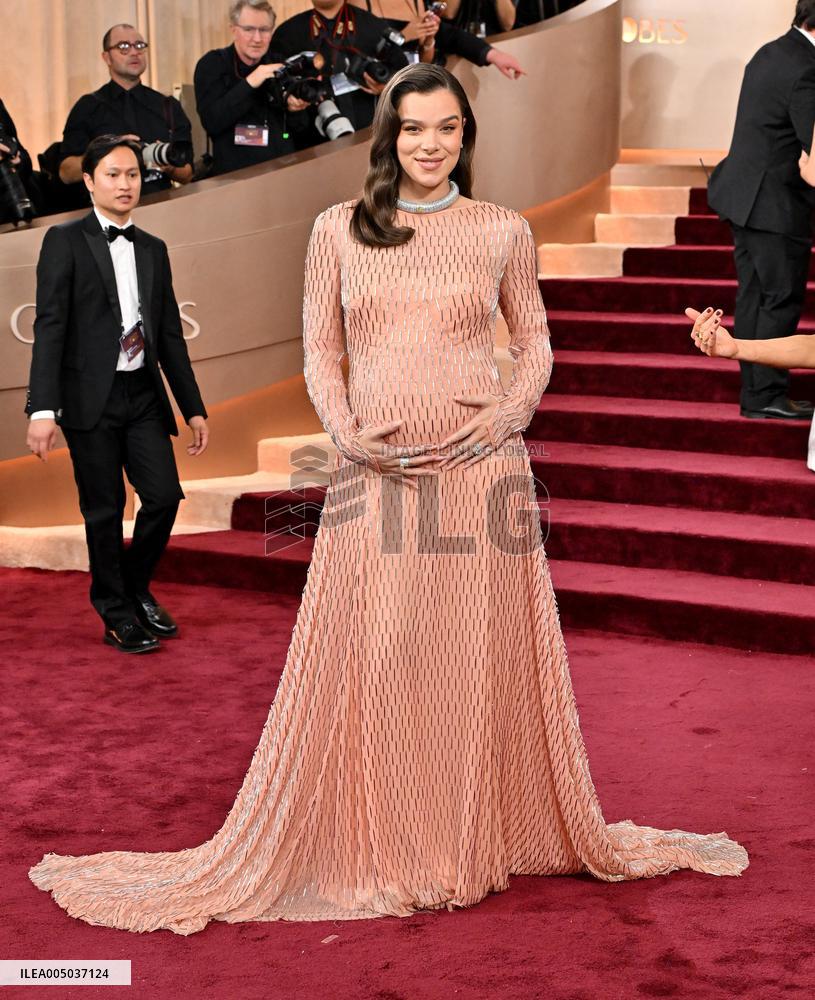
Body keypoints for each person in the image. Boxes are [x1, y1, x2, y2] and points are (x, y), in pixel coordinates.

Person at [28, 67, 747, 933]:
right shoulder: (338, 229)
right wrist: (344, 433)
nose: (430, 144)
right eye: (412, 129)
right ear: (387, 137)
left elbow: (535, 344)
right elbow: (320, 352)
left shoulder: (500, 231)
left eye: (445, 128)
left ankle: (469, 833)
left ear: (465, 135)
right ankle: (394, 833)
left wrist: (507, 421)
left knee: (472, 657)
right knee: (387, 649)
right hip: (377, 472)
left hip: (480, 472)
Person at [25, 135, 208, 655]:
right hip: (90, 399)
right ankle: (116, 612)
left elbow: (168, 334)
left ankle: (134, 585)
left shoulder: (153, 248)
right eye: (112, 174)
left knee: (165, 496)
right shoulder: (63, 241)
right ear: (89, 181)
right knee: (104, 509)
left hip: (142, 394)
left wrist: (192, 407)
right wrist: (43, 408)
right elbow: (50, 327)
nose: (125, 183)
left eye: (131, 174)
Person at [706, 0, 815, 422]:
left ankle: (757, 395)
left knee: (754, 296)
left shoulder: (771, 50)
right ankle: (767, 392)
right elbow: (813, 154)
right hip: (775, 204)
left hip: (742, 196)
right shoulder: (806, 68)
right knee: (779, 299)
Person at [59, 24, 194, 200]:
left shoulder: (167, 105)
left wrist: (167, 164)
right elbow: (66, 173)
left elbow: (188, 174)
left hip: (162, 206)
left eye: (139, 46)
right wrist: (107, 153)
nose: (134, 52)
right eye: (123, 47)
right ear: (106, 57)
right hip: (108, 214)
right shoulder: (88, 106)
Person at [194, 0, 311, 176]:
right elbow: (212, 122)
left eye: (264, 30)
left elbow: (301, 129)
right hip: (235, 178)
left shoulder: (279, 63)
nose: (257, 39)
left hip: (283, 173)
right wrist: (251, 82)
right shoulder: (213, 64)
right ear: (233, 29)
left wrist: (296, 110)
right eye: (249, 30)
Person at [270, 0, 411, 144]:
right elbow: (272, 90)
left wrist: (387, 88)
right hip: (313, 145)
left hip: (372, 137)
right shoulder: (287, 34)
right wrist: (290, 101)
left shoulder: (373, 25)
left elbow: (404, 77)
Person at [350, 0, 525, 77]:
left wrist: (493, 55)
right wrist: (403, 36)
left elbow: (448, 37)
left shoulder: (415, 1)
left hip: (414, 91)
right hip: (376, 100)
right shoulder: (358, 3)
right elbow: (353, 48)